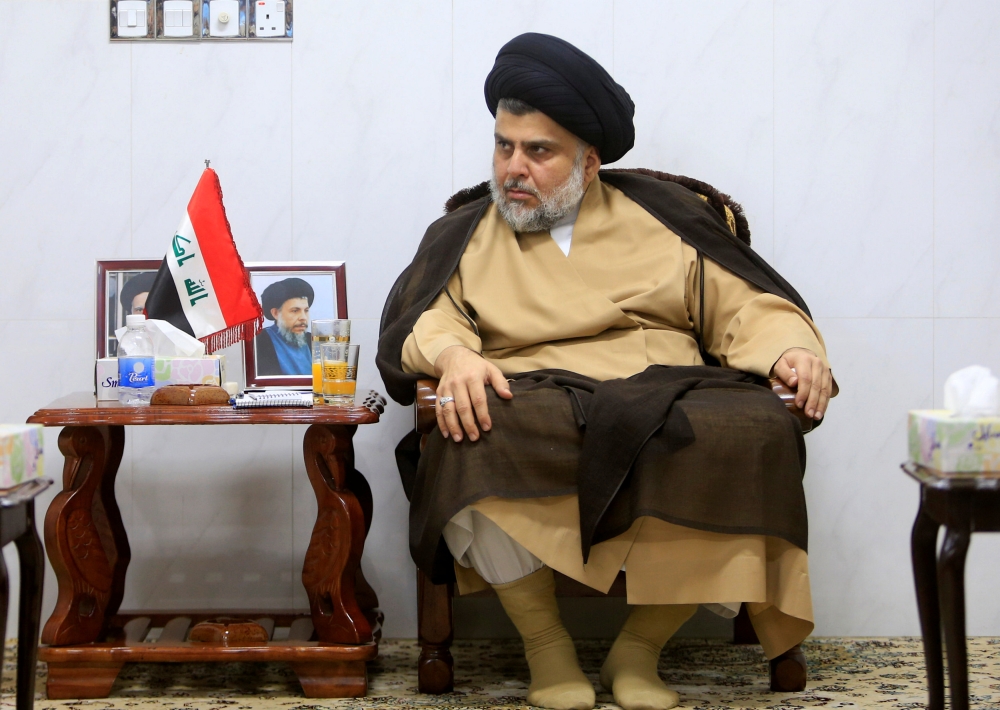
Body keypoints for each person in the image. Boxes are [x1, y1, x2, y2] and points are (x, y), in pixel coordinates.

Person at [377, 33, 836, 710]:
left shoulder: (666, 219)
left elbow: (743, 306)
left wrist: (789, 351)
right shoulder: (467, 233)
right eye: (505, 146)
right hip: (533, 399)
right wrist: (453, 356)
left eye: (538, 151)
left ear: (589, 163)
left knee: (753, 431)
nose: (513, 168)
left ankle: (640, 648)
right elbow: (428, 316)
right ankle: (546, 646)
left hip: (668, 392)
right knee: (472, 432)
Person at [254, 277, 314, 376]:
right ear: (276, 313)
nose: (303, 317)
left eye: (306, 311)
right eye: (295, 311)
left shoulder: (313, 341)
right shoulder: (260, 341)